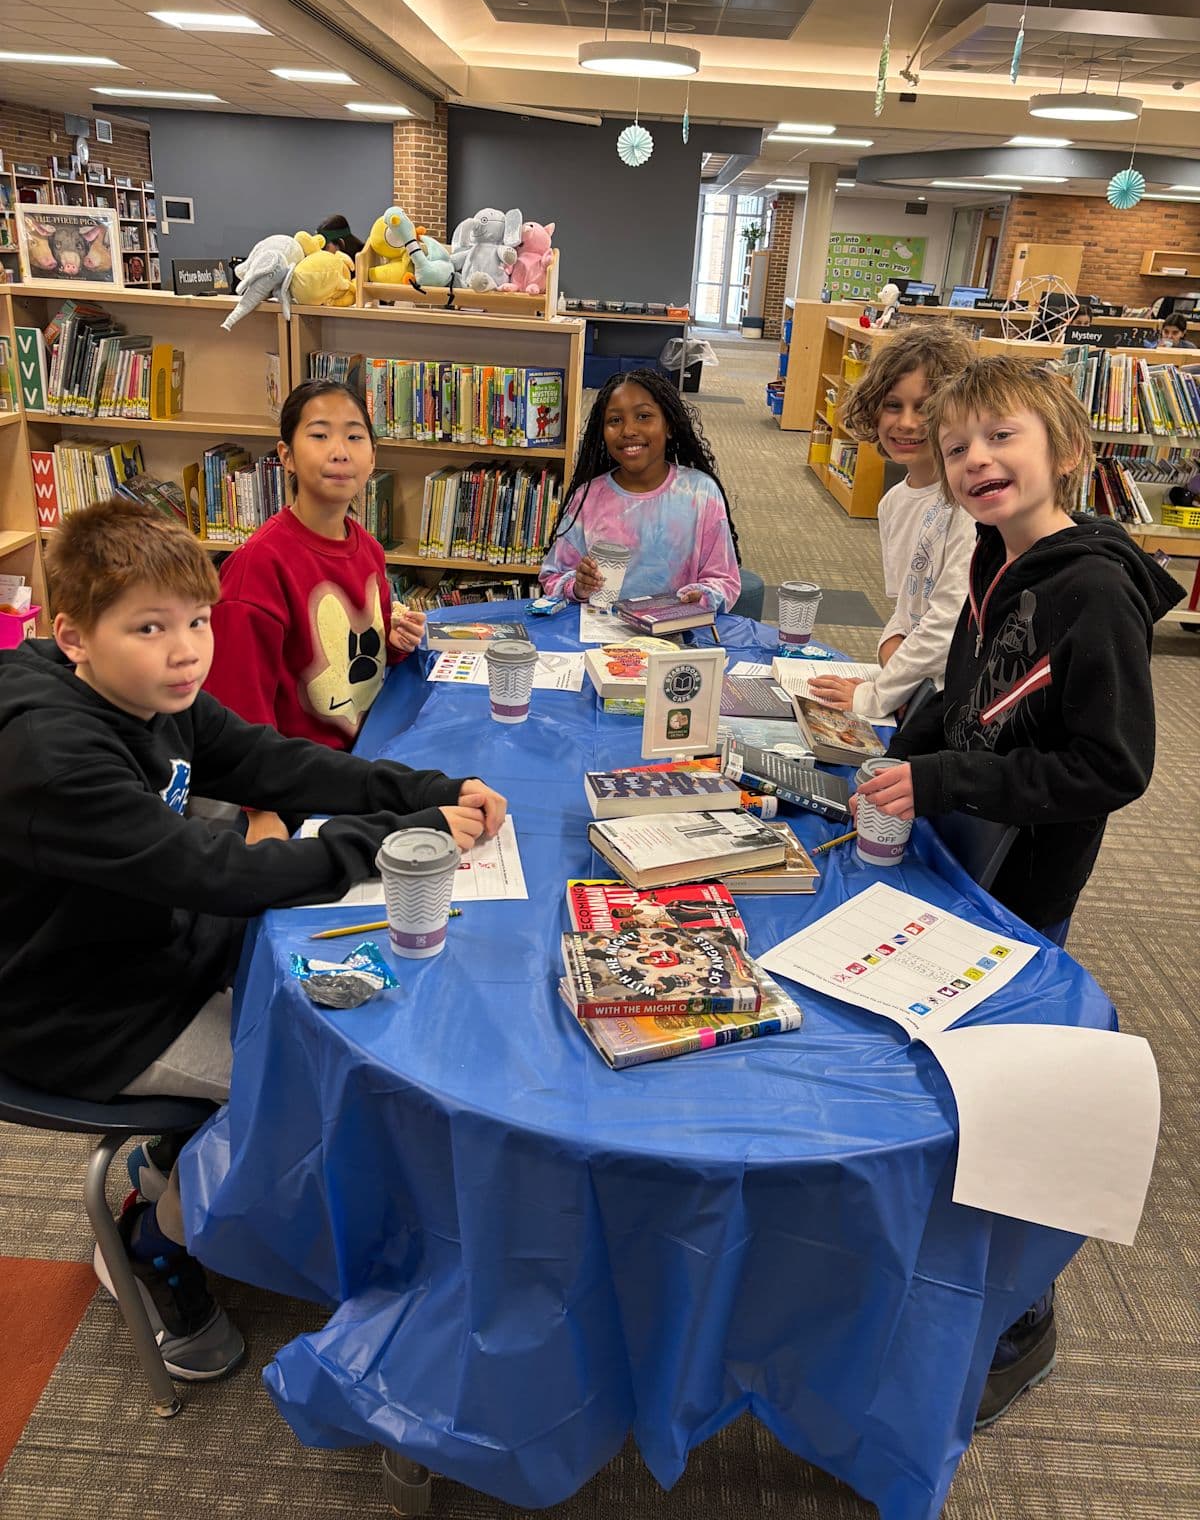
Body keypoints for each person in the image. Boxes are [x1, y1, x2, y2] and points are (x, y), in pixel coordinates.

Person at [0, 498, 505, 1381]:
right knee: (321, 1087)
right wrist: (390, 839)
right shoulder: (52, 753)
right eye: (149, 627)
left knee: (352, 1000)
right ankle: (155, 1247)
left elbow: (274, 761)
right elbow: (214, 871)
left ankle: (177, 1161)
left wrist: (425, 786)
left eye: (196, 619)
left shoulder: (156, 693)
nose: (187, 647)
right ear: (72, 636)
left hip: (151, 944)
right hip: (76, 1011)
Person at [854, 357, 1183, 1426]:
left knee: (1004, 1082)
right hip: (964, 850)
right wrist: (891, 752)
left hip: (1027, 881)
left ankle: (1018, 1313)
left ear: (1067, 454)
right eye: (958, 449)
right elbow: (962, 701)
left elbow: (1110, 767)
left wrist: (946, 775)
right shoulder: (995, 564)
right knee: (941, 1055)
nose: (977, 460)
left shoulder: (1090, 588)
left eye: (1002, 437)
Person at [206, 380, 427, 843]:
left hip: (364, 755)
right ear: (285, 456)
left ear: (372, 458)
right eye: (320, 434)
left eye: (354, 436)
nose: (339, 451)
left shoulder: (367, 547)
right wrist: (261, 809)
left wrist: (395, 641)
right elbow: (238, 706)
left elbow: (355, 650)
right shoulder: (258, 567)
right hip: (298, 786)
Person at [809, 325, 976, 720]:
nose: (906, 423)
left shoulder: (970, 504)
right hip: (916, 687)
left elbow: (949, 622)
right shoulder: (893, 504)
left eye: (925, 408)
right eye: (892, 405)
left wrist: (876, 693)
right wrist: (891, 650)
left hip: (961, 700)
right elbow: (906, 610)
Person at [538, 369, 741, 611]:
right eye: (615, 420)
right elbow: (553, 576)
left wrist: (704, 597)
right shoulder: (588, 497)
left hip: (677, 634)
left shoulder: (700, 493)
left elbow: (724, 580)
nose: (628, 431)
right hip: (601, 636)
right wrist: (578, 586)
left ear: (669, 425)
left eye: (643, 416)